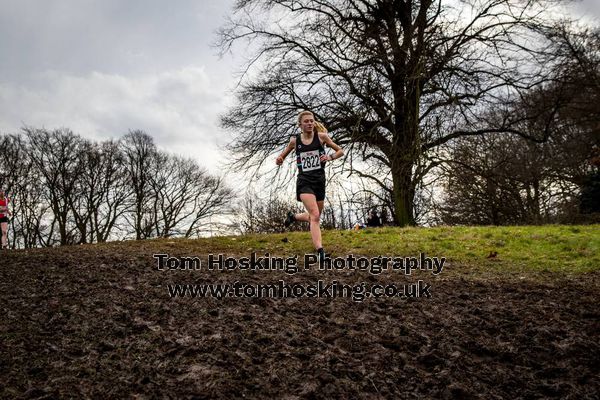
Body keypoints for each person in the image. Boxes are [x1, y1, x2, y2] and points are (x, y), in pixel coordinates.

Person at [276, 111, 344, 262]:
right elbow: (283, 155)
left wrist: (330, 157)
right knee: (315, 214)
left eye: (311, 121)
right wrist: (280, 159)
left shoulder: (322, 137)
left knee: (315, 216)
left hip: (319, 180)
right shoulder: (295, 141)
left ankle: (292, 217)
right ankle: (320, 251)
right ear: (300, 125)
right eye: (306, 121)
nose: (309, 123)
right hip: (304, 181)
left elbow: (340, 151)